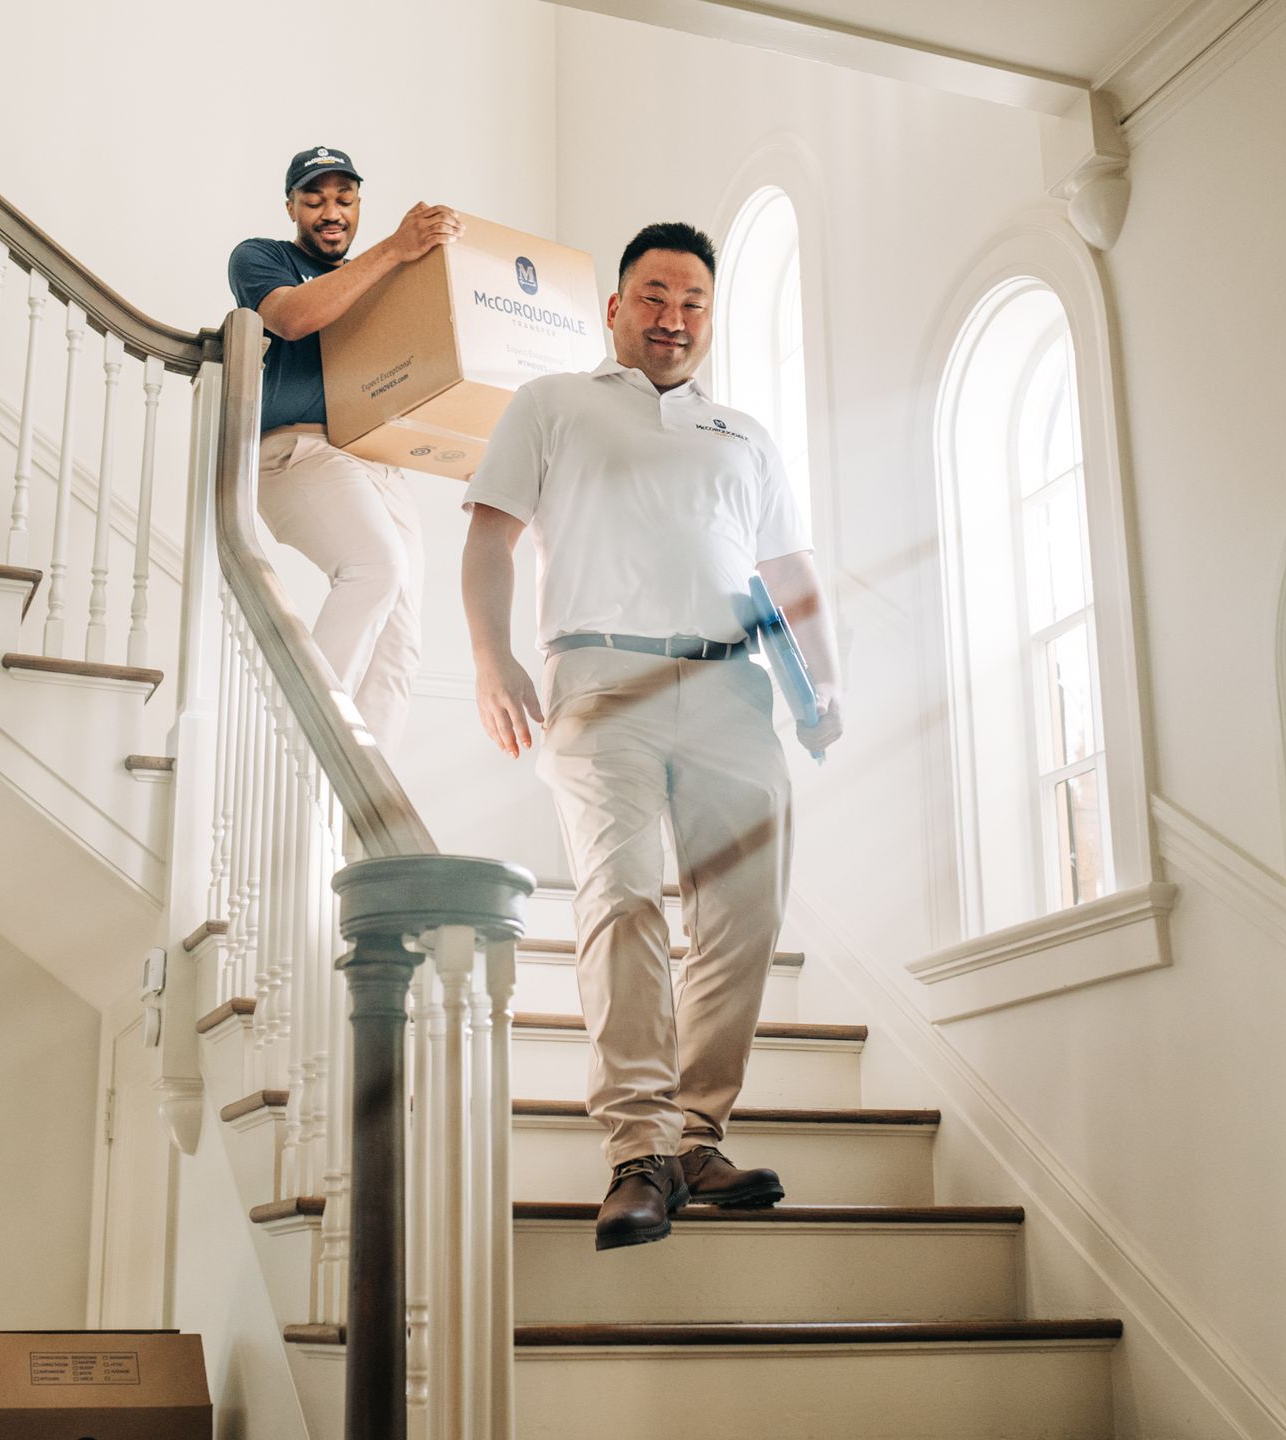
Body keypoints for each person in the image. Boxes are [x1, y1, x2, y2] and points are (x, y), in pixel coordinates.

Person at [460, 220, 844, 1251]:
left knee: (743, 916)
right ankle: (635, 1150)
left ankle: (694, 1138)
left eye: (693, 303)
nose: (673, 318)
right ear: (618, 306)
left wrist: (821, 688)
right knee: (623, 894)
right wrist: (494, 662)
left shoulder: (746, 436)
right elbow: (489, 537)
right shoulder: (553, 405)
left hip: (732, 693)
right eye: (656, 297)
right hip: (600, 681)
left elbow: (788, 574)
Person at [226, 147, 463, 754]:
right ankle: (301, 746)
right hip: (297, 451)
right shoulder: (263, 258)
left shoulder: (378, 274)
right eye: (314, 198)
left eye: (344, 198)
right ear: (291, 206)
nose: (331, 212)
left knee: (401, 640)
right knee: (375, 569)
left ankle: (358, 802)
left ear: (359, 203)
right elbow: (293, 319)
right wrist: (394, 249)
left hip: (374, 460)